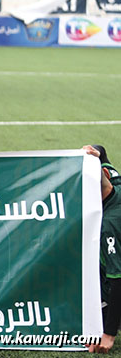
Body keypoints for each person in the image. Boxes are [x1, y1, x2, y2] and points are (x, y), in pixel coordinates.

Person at [84, 145, 121, 353]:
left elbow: (118, 280)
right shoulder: (113, 178)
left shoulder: (109, 226)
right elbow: (102, 152)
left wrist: (108, 333)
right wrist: (94, 151)